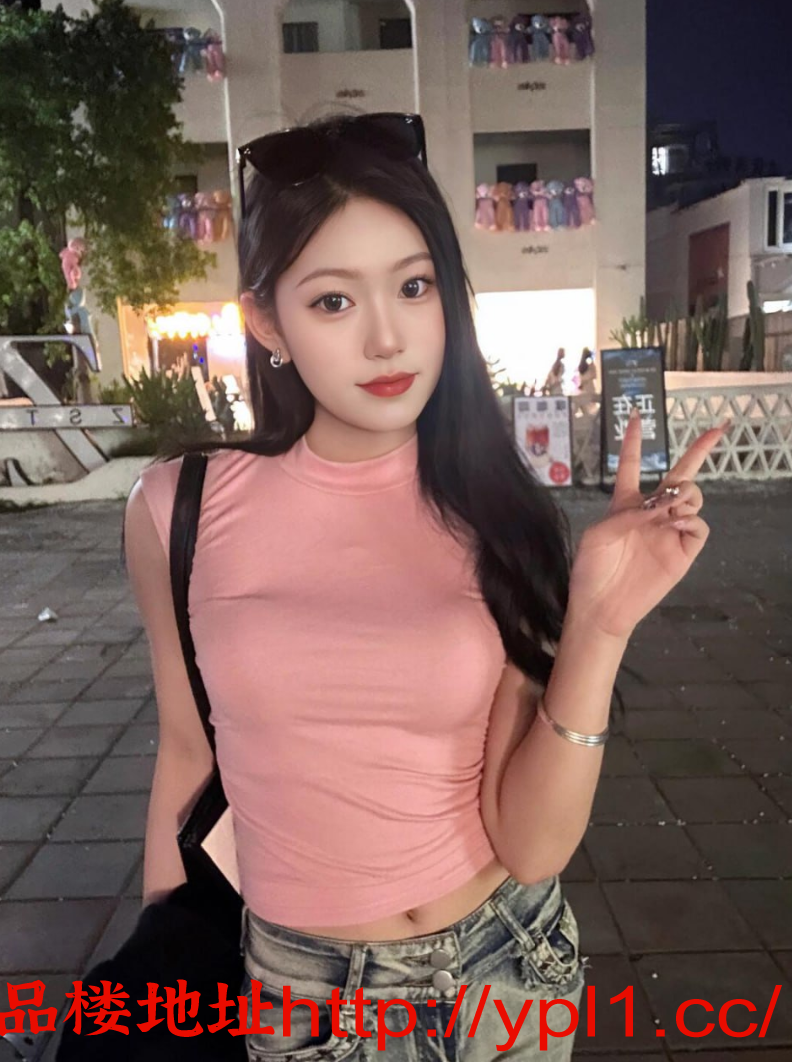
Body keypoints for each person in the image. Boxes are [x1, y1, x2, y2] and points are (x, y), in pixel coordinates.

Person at [122, 111, 727, 1061]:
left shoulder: (496, 507)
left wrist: (600, 626)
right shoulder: (179, 507)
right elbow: (187, 748)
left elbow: (529, 844)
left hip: (508, 970)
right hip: (310, 1002)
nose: (387, 338)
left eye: (414, 286)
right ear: (267, 321)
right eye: (333, 301)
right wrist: (162, 951)